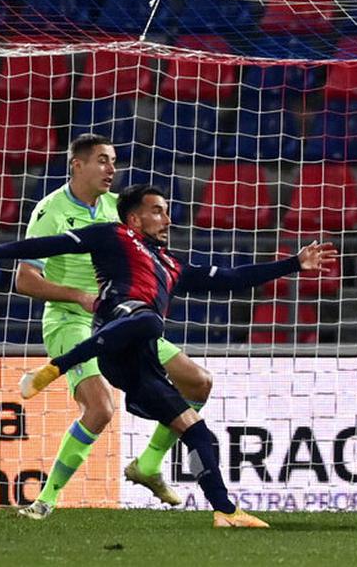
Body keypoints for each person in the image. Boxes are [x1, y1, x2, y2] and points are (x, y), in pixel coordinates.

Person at [0, 184, 337, 528]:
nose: (167, 219)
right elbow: (47, 245)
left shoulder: (171, 267)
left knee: (199, 433)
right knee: (145, 322)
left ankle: (224, 510)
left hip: (141, 360)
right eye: (158, 211)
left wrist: (293, 264)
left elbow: (231, 277)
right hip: (115, 327)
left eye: (167, 211)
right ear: (135, 217)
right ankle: (55, 372)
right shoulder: (113, 235)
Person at [12, 134, 213, 520]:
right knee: (101, 408)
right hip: (69, 319)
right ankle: (45, 500)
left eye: (114, 161)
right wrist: (80, 296)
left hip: (119, 317)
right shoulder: (50, 210)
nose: (111, 169)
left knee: (198, 382)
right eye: (103, 160)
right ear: (78, 165)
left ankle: (149, 464)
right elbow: (25, 280)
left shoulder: (115, 209)